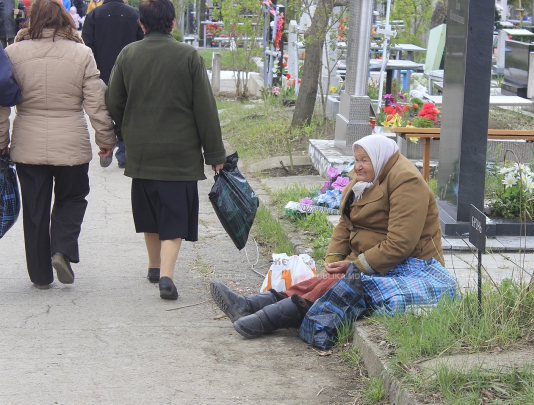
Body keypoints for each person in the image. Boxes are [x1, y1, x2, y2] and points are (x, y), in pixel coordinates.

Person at [210, 134, 457, 339]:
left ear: (380, 158)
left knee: (337, 284)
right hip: (372, 258)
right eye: (356, 159)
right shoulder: (366, 178)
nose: (358, 166)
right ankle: (250, 305)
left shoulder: (405, 181)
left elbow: (401, 243)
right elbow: (345, 223)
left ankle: (266, 319)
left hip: (409, 265)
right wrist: (336, 258)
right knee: (326, 279)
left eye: (365, 160)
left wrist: (356, 265)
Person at [105, 0, 225, 300]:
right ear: (173, 23)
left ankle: (154, 266)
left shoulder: (128, 55)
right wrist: (215, 155)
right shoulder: (189, 56)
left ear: (141, 24)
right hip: (180, 156)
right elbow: (205, 110)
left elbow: (113, 100)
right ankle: (168, 276)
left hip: (142, 154)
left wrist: (124, 132)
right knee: (174, 216)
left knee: (149, 213)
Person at [0, 0, 115, 289]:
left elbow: (1, 104)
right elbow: (96, 101)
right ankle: (61, 249)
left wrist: (2, 142)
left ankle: (40, 276)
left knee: (35, 209)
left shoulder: (12, 54)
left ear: (31, 19)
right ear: (65, 19)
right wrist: (105, 139)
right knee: (73, 198)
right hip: (71, 142)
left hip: (27, 142)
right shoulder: (82, 53)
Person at [82, 0, 143, 168]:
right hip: (129, 72)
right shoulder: (134, 14)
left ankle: (106, 145)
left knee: (104, 112)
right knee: (126, 112)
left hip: (101, 72)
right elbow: (142, 43)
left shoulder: (93, 15)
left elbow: (87, 46)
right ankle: (123, 152)